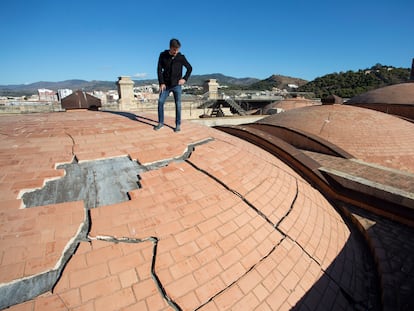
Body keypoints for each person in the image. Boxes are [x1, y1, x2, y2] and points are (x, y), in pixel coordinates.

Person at [154, 38, 192, 132]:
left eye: (178, 49)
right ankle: (161, 123)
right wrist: (161, 83)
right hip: (165, 85)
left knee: (178, 105)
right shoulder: (163, 55)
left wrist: (184, 79)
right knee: (160, 102)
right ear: (170, 48)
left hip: (177, 86)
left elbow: (189, 68)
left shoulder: (181, 57)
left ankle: (178, 125)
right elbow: (159, 70)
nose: (176, 51)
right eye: (175, 49)